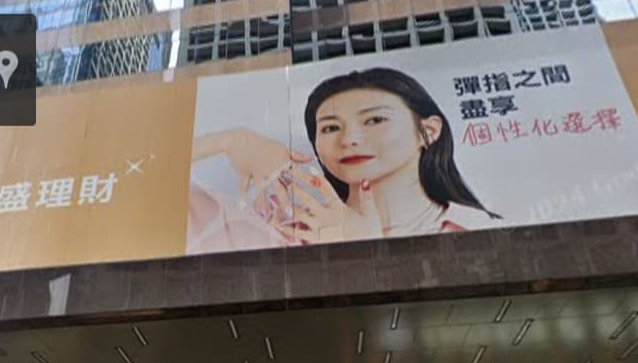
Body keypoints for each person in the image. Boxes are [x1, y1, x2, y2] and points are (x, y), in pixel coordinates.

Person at [187, 67, 499, 253]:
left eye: (374, 120)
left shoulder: (476, 233)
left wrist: (368, 254)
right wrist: (227, 140)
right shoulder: (283, 220)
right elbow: (147, 191)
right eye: (331, 127)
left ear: (428, 131)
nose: (348, 139)